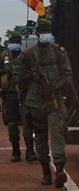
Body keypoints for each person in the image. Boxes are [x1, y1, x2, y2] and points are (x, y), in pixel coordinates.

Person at [13, 19, 72, 187]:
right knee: (40, 138)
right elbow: (16, 77)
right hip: (34, 103)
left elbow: (67, 75)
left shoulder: (59, 52)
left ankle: (59, 169)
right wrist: (32, 76)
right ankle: (46, 172)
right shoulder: (27, 55)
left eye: (48, 32)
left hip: (54, 101)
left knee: (56, 133)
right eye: (43, 32)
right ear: (38, 34)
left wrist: (53, 86)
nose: (46, 35)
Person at [0, 31, 37, 162]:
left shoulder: (24, 56)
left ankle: (28, 151)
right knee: (13, 122)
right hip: (11, 93)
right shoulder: (5, 56)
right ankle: (17, 151)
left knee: (27, 122)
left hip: (22, 93)